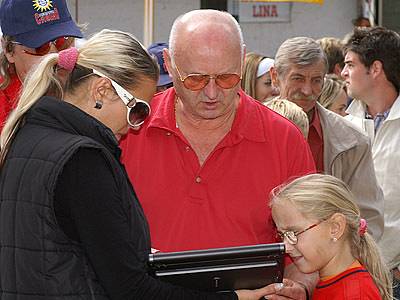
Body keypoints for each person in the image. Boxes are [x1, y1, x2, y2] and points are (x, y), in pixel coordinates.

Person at [0, 29, 273, 300]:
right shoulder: (83, 159)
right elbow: (130, 288)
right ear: (102, 90)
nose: (137, 124)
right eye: (138, 109)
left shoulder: (25, 137)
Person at [120, 9, 317, 299]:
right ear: (169, 64)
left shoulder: (284, 139)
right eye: (196, 79)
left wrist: (298, 288)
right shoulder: (130, 129)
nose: (212, 93)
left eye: (227, 77)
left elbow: (310, 246)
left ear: (242, 59)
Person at [270, 36, 384, 241]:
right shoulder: (247, 131)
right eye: (298, 78)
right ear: (275, 77)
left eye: (316, 80)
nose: (307, 90)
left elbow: (368, 218)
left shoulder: (352, 140)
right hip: (263, 260)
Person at [342, 26, 400, 298]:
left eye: (350, 64)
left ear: (375, 69)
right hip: (353, 272)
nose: (343, 73)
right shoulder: (343, 125)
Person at [271, 174, 392, 300]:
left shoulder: (355, 295)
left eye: (294, 233)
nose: (286, 246)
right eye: (282, 235)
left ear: (335, 227)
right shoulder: (332, 281)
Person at [0, 0, 83, 132]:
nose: (54, 56)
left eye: (62, 41)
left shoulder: (100, 92)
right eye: (40, 47)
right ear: (8, 50)